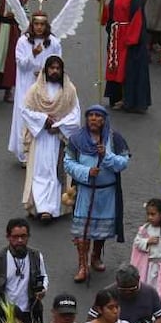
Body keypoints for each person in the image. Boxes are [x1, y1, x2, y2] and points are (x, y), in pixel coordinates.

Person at [65, 105, 130, 283]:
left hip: (107, 193)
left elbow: (124, 162)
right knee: (82, 232)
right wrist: (86, 172)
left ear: (104, 119)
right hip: (86, 192)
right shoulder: (76, 139)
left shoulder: (114, 138)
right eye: (91, 115)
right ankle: (82, 265)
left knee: (101, 230)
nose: (94, 118)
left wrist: (107, 156)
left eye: (98, 115)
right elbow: (68, 163)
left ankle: (95, 256)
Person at [20, 56, 81, 222]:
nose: (54, 71)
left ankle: (52, 208)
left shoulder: (69, 91)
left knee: (55, 172)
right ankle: (41, 207)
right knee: (40, 172)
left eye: (57, 68)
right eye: (51, 68)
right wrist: (43, 121)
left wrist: (59, 126)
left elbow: (75, 115)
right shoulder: (35, 90)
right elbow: (25, 110)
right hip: (40, 138)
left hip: (58, 139)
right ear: (46, 70)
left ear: (62, 70)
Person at [9, 11, 63, 164]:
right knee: (25, 116)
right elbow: (20, 63)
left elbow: (58, 63)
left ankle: (42, 153)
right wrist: (33, 54)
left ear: (46, 26)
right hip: (27, 85)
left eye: (42, 24)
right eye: (36, 24)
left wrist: (48, 71)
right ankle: (25, 154)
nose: (39, 28)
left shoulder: (54, 42)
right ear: (32, 25)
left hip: (46, 85)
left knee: (44, 116)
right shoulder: (23, 41)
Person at [0, 218, 48, 323]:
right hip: (3, 315)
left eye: (23, 236)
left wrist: (43, 288)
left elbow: (43, 276)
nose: (20, 240)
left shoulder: (36, 256)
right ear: (8, 237)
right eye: (15, 237)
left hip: (29, 314)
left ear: (28, 236)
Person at [102, 0, 151, 112]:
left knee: (127, 69)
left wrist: (130, 39)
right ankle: (118, 97)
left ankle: (129, 100)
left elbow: (137, 19)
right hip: (116, 37)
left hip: (128, 39)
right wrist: (102, 5)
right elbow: (110, 16)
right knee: (117, 68)